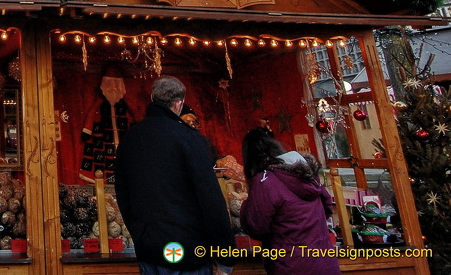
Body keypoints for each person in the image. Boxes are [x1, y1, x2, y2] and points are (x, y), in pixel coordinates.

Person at [114, 76, 235, 274]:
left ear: (152, 97)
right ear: (179, 104)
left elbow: (123, 194)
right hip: (189, 251)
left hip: (149, 249)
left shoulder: (129, 139)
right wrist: (225, 255)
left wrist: (139, 233)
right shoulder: (189, 138)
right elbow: (210, 199)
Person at [239, 127, 340, 275]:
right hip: (325, 264)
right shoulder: (308, 176)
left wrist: (245, 206)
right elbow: (327, 206)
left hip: (291, 266)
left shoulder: (265, 182)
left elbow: (256, 226)